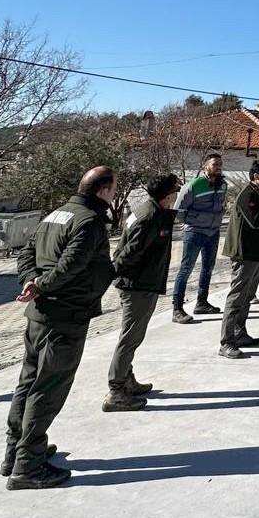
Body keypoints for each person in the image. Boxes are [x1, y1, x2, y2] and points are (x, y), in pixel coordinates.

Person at [4, 166, 117, 489]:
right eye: (113, 188)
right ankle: (28, 465)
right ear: (103, 191)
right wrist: (40, 285)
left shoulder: (58, 213)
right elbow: (73, 263)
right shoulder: (89, 221)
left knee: (28, 382)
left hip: (39, 316)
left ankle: (18, 450)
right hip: (64, 316)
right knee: (48, 388)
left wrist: (31, 281)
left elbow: (26, 252)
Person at [103, 172, 180, 412]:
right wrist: (114, 273)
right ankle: (116, 390)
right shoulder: (149, 217)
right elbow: (129, 252)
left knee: (133, 337)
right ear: (168, 195)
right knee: (130, 338)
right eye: (175, 191)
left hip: (142, 284)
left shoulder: (147, 210)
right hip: (138, 286)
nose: (177, 195)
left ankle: (127, 378)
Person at [218, 160, 259, 359]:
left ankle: (239, 333)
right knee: (237, 296)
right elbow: (256, 221)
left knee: (247, 295)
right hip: (244, 253)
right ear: (257, 176)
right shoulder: (248, 195)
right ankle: (226, 341)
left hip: (257, 252)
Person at [170, 153, 227, 324]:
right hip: (195, 232)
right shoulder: (194, 185)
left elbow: (221, 205)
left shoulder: (222, 184)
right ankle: (177, 308)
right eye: (214, 164)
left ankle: (202, 302)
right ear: (205, 166)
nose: (218, 167)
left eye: (220, 164)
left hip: (214, 232)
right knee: (186, 269)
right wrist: (191, 222)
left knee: (208, 268)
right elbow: (179, 211)